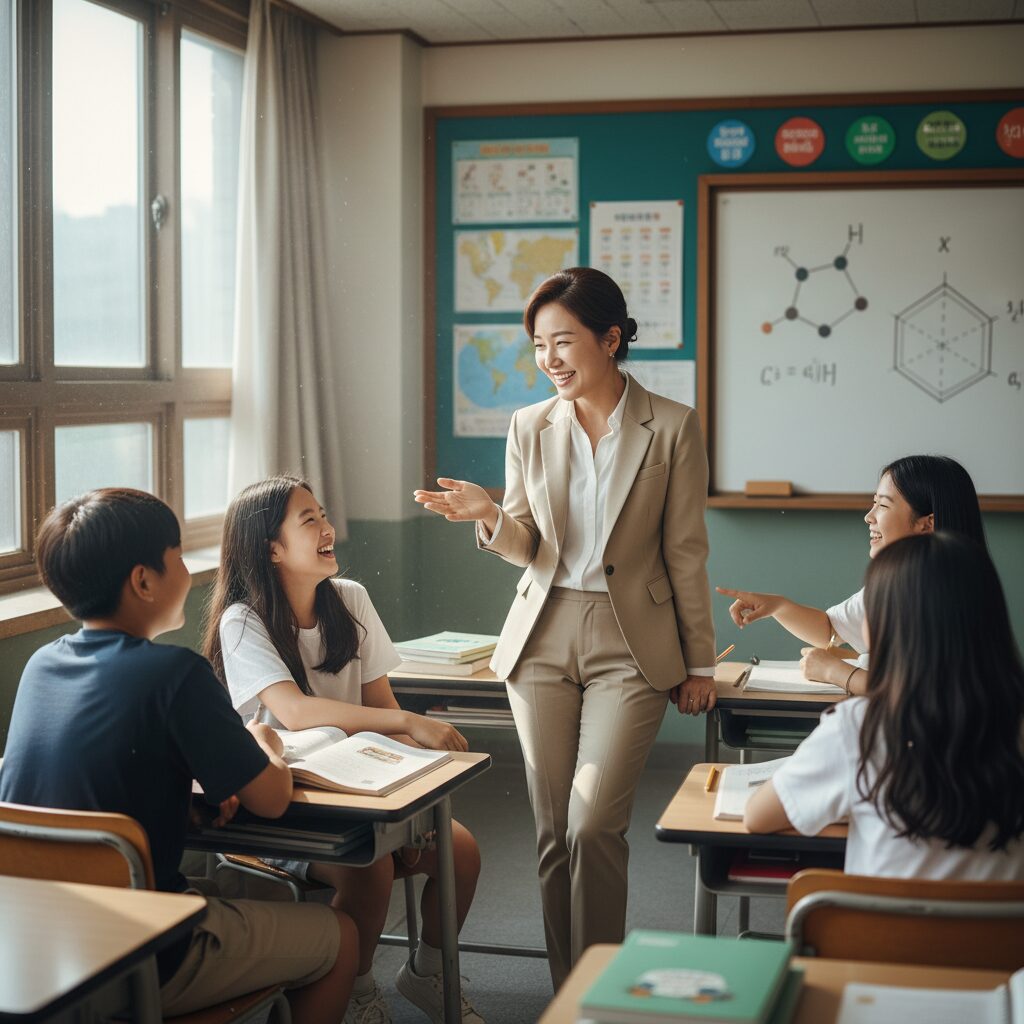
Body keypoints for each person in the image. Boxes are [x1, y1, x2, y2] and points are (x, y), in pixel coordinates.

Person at [414, 266, 717, 989]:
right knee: (552, 832)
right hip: (542, 636)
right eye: (539, 345)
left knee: (592, 824)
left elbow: (685, 549)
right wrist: (490, 517)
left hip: (631, 644)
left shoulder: (672, 425)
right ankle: (567, 993)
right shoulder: (529, 425)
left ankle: (598, 988)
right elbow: (529, 546)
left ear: (610, 340)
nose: (549, 359)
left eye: (564, 341)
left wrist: (699, 662)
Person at [0, 489, 357, 1023]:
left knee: (233, 893)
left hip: (42, 948)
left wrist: (179, 802)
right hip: (141, 952)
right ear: (144, 581)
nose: (190, 572)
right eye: (177, 555)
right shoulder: (175, 675)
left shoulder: (39, 667)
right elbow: (272, 798)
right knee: (342, 936)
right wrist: (264, 742)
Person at [203, 475, 484, 1024]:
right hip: (285, 808)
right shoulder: (243, 620)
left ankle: (426, 972)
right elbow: (296, 714)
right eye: (309, 520)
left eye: (324, 514)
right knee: (370, 869)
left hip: (364, 794)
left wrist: (413, 809)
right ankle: (356, 990)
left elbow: (380, 706)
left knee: (462, 852)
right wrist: (405, 720)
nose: (328, 528)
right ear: (272, 548)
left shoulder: (350, 600)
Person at [745, 531, 1024, 879]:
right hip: (1002, 934)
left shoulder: (861, 726)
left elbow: (757, 816)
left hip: (884, 932)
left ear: (888, 627)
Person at [717, 454, 986, 695]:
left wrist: (836, 671)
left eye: (882, 505)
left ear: (927, 524)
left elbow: (916, 692)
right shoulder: (894, 583)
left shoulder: (948, 598)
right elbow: (830, 629)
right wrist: (778, 606)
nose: (869, 517)